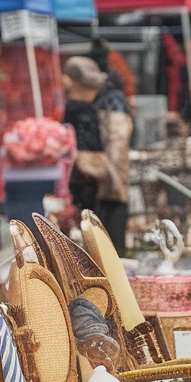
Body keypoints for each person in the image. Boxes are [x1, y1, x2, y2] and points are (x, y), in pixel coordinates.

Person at [62, 56, 132, 252]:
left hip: (103, 189)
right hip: (109, 187)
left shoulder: (93, 106)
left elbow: (113, 153)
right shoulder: (107, 100)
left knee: (104, 251)